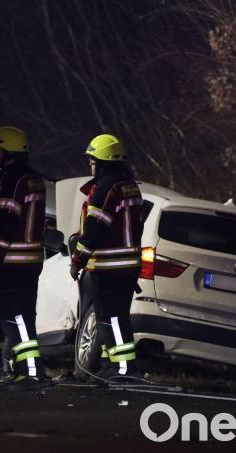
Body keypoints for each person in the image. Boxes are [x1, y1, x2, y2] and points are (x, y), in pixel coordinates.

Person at [69, 134, 144, 379]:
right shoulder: (130, 186)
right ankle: (113, 367)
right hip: (128, 266)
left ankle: (123, 369)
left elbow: (94, 230)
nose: (90, 164)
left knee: (109, 318)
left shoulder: (105, 189)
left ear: (102, 161)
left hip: (108, 267)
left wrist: (77, 260)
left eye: (92, 160)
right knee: (117, 317)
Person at [0, 126, 47, 389]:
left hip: (11, 261)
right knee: (24, 316)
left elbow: (6, 223)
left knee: (14, 317)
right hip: (30, 262)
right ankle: (28, 370)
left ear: (7, 151)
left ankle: (29, 372)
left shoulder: (10, 180)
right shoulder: (32, 178)